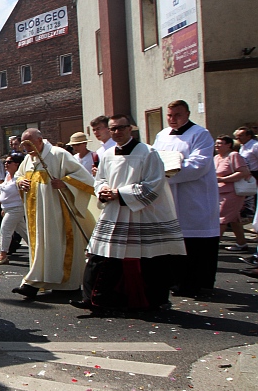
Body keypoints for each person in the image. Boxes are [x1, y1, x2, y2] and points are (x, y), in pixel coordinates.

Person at [74, 115, 185, 314]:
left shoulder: (148, 153)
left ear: (130, 129)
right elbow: (99, 179)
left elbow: (154, 185)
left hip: (141, 213)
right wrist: (103, 190)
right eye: (113, 129)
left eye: (121, 128)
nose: (117, 132)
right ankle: (93, 299)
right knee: (100, 256)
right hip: (114, 212)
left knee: (150, 259)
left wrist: (120, 193)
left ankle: (155, 301)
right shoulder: (107, 155)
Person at [12, 128, 96, 300]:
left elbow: (84, 178)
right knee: (41, 248)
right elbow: (18, 176)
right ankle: (36, 282)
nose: (27, 149)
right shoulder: (29, 159)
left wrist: (65, 183)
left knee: (59, 246)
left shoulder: (59, 155)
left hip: (58, 214)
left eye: (29, 144)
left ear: (40, 140)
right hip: (37, 215)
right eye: (24, 145)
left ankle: (66, 285)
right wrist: (21, 182)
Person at [152, 100, 221, 298]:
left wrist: (169, 172)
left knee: (195, 242)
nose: (173, 119)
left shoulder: (200, 134)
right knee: (173, 241)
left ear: (188, 114)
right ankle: (174, 280)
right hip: (170, 194)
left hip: (194, 195)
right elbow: (154, 159)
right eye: (170, 115)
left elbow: (200, 164)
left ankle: (196, 283)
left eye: (178, 115)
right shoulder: (162, 135)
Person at [214, 135, 249, 251]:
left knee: (221, 218)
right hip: (219, 191)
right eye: (216, 143)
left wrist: (223, 179)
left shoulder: (234, 155)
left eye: (220, 143)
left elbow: (244, 172)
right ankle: (242, 243)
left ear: (228, 145)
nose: (217, 145)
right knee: (234, 219)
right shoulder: (216, 158)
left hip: (232, 192)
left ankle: (211, 246)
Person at [0, 154, 28, 266]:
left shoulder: (19, 178)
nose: (6, 164)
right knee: (24, 231)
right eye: (5, 162)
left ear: (17, 164)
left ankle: (3, 255)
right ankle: (37, 249)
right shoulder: (7, 175)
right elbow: (3, 192)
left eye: (9, 162)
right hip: (7, 208)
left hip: (16, 208)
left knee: (5, 229)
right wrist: (3, 206)